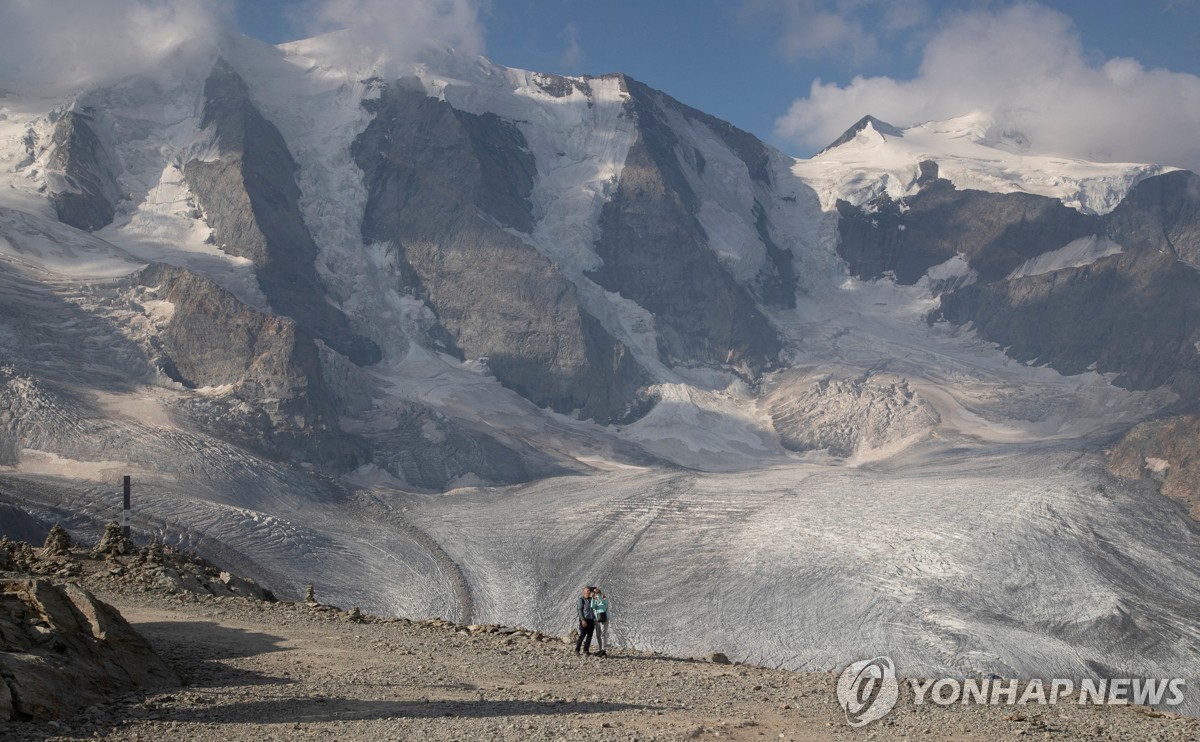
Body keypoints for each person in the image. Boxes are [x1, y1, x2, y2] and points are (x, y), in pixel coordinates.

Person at [574, 586, 595, 655]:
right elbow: (579, 610)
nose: (589, 592)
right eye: (588, 590)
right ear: (584, 591)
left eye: (590, 591)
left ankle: (586, 650)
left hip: (591, 619)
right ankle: (577, 649)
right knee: (582, 635)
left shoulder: (591, 599)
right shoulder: (581, 600)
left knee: (589, 635)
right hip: (585, 619)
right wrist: (582, 619)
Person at [590, 586, 610, 657]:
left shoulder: (604, 598)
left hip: (604, 619)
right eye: (595, 592)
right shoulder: (596, 599)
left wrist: (598, 595)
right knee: (598, 635)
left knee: (603, 635)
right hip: (597, 619)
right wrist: (592, 598)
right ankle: (600, 649)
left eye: (596, 592)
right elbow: (592, 606)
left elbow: (603, 605)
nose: (595, 593)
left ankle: (603, 650)